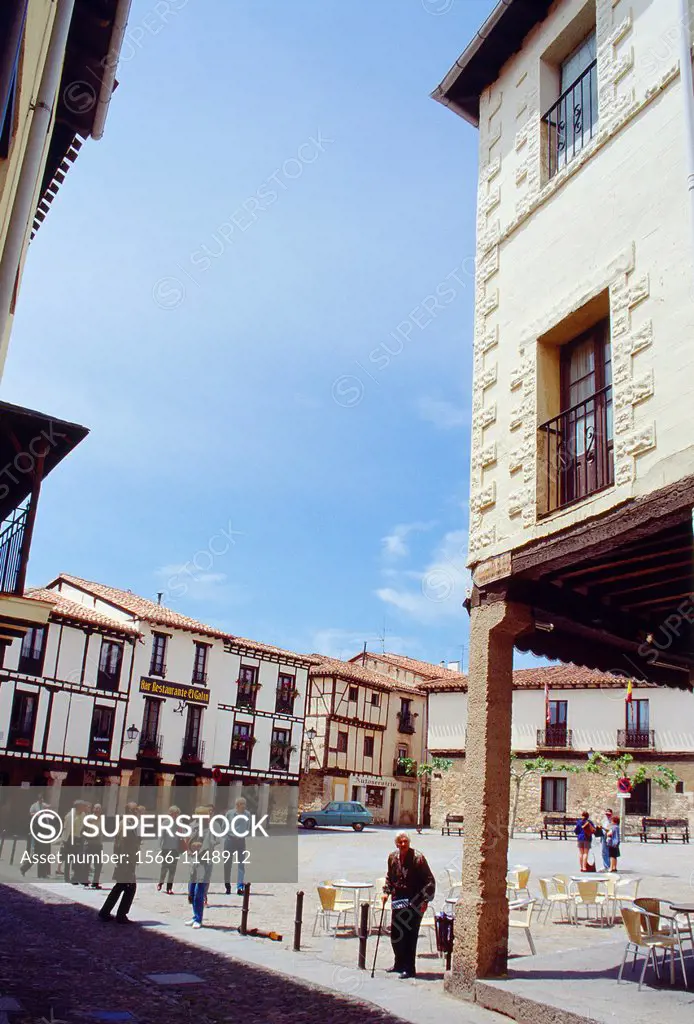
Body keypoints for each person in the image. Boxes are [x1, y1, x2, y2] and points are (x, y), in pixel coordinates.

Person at [381, 832, 435, 979]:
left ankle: (409, 968)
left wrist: (425, 901)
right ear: (396, 844)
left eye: (405, 841)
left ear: (409, 843)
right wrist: (386, 891)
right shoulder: (392, 858)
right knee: (396, 934)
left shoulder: (418, 858)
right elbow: (390, 877)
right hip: (398, 900)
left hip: (414, 901)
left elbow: (429, 881)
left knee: (410, 935)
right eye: (400, 842)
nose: (403, 844)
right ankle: (398, 963)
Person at [98, 802, 141, 923]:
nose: (136, 812)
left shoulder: (130, 824)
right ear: (129, 811)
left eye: (136, 810)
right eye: (134, 810)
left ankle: (107, 912)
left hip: (128, 861)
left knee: (122, 887)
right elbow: (120, 845)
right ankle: (120, 915)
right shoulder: (125, 825)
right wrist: (124, 862)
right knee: (128, 887)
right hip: (125, 862)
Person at [186, 805, 218, 929]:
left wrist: (200, 847)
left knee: (199, 891)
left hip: (204, 862)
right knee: (192, 890)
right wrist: (191, 847)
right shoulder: (194, 827)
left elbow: (211, 844)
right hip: (194, 861)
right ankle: (194, 916)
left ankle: (199, 918)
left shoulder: (210, 828)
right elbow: (187, 840)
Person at [224, 797, 249, 895]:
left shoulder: (247, 814)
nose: (244, 806)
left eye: (244, 804)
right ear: (237, 805)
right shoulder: (230, 814)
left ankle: (240, 887)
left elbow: (248, 827)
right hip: (230, 840)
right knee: (227, 864)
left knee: (241, 865)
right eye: (242, 804)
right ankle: (227, 886)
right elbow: (224, 826)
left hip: (241, 841)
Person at [157, 804, 182, 894]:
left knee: (172, 869)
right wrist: (160, 845)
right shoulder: (165, 822)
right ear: (170, 814)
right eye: (174, 813)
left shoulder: (179, 823)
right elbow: (161, 835)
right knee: (164, 867)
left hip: (175, 849)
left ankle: (169, 888)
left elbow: (181, 835)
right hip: (166, 848)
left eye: (177, 814)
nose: (175, 815)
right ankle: (161, 882)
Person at [85, 803, 104, 889]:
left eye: (99, 809)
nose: (97, 810)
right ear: (93, 809)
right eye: (96, 808)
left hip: (98, 844)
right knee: (87, 863)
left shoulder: (101, 819)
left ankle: (95, 882)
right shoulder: (89, 819)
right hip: (90, 843)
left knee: (98, 864)